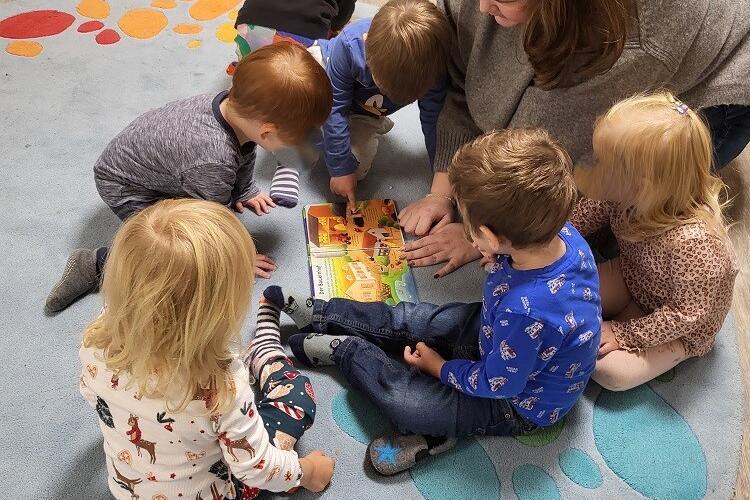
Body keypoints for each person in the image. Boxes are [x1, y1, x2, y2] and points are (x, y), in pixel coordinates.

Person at [263, 129, 601, 474]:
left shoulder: (527, 312)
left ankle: (348, 351)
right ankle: (325, 313)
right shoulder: (560, 233)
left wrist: (439, 368)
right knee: (414, 318)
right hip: (499, 330)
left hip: (514, 403)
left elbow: (499, 383)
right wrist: (499, 257)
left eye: (469, 227)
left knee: (407, 403)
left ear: (489, 236)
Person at [400, 0, 750, 278]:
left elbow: (551, 167)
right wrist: (441, 192)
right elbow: (459, 82)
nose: (481, 7)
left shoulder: (630, 42)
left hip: (717, 90)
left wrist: (480, 234)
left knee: (627, 233)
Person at [45, 43, 332, 313]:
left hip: (164, 171)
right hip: (127, 187)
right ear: (267, 132)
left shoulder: (234, 110)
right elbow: (212, 223)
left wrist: (245, 190)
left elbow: (246, 151)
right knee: (177, 249)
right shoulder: (214, 159)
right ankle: (95, 263)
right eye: (296, 141)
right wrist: (238, 257)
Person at [78, 199, 335, 500]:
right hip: (217, 489)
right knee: (297, 392)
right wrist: (306, 471)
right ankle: (265, 353)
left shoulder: (96, 340)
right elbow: (257, 468)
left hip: (128, 491)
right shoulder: (222, 386)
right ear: (219, 313)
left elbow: (93, 397)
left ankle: (258, 355)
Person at [570, 92, 738, 391]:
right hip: (633, 275)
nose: (593, 168)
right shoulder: (623, 194)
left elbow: (685, 315)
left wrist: (624, 333)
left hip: (678, 323)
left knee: (608, 372)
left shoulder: (697, 246)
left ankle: (678, 352)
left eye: (602, 163)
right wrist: (542, 241)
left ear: (642, 187)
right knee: (567, 294)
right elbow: (583, 217)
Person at [319, 0, 450, 213]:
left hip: (368, 111)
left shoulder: (434, 70)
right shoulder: (349, 46)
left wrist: (442, 172)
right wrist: (339, 168)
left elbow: (434, 121)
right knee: (290, 97)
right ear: (366, 42)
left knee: (356, 168)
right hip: (326, 82)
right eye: (381, 84)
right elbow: (334, 109)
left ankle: (374, 124)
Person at [229, 0, 357, 208]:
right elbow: (344, 9)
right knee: (299, 99)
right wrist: (335, 28)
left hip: (251, 24)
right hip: (302, 32)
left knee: (253, 84)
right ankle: (288, 161)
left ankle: (233, 121)